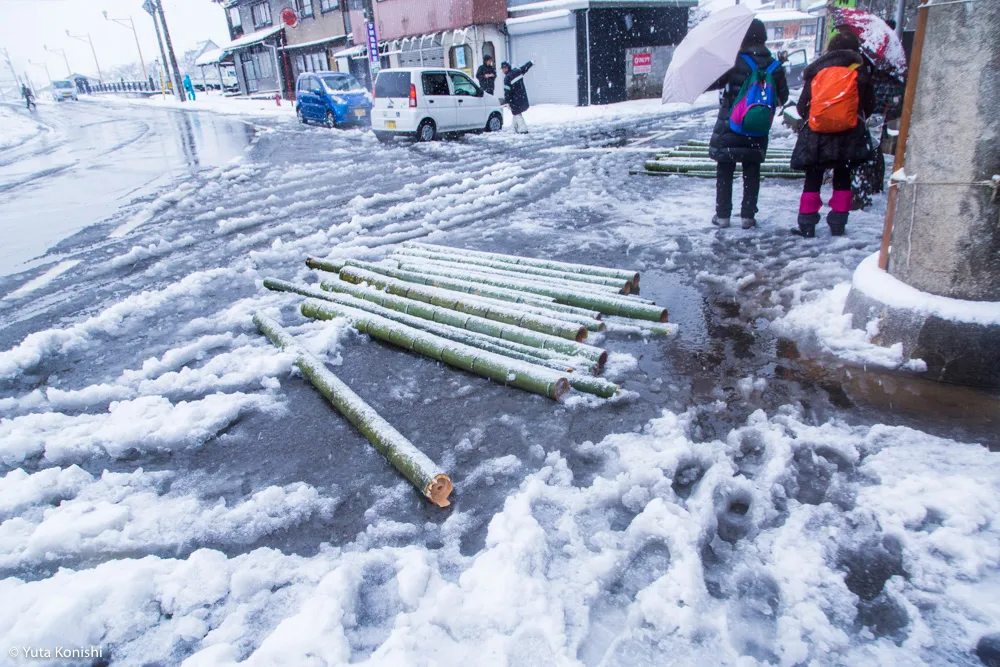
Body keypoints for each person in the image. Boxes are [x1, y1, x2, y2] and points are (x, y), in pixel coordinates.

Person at [790, 31, 876, 237]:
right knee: (843, 177)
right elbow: (870, 105)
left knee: (813, 178)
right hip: (848, 135)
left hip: (817, 135)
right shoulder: (859, 73)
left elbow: (802, 108)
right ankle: (838, 223)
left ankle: (807, 224)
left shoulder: (817, 72)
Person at [708, 19, 789, 230]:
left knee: (725, 169)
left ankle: (723, 215)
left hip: (731, 124)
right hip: (757, 127)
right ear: (763, 38)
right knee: (752, 170)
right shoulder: (775, 66)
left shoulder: (733, 62)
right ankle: (748, 216)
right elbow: (783, 98)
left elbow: (715, 83)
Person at [501, 60, 533, 134]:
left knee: (516, 113)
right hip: (522, 96)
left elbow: (507, 91)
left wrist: (507, 101)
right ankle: (514, 127)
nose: (503, 70)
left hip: (514, 99)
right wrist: (530, 63)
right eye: (502, 68)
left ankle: (523, 129)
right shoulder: (517, 71)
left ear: (508, 68)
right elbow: (525, 67)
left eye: (504, 68)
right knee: (516, 112)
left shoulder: (507, 78)